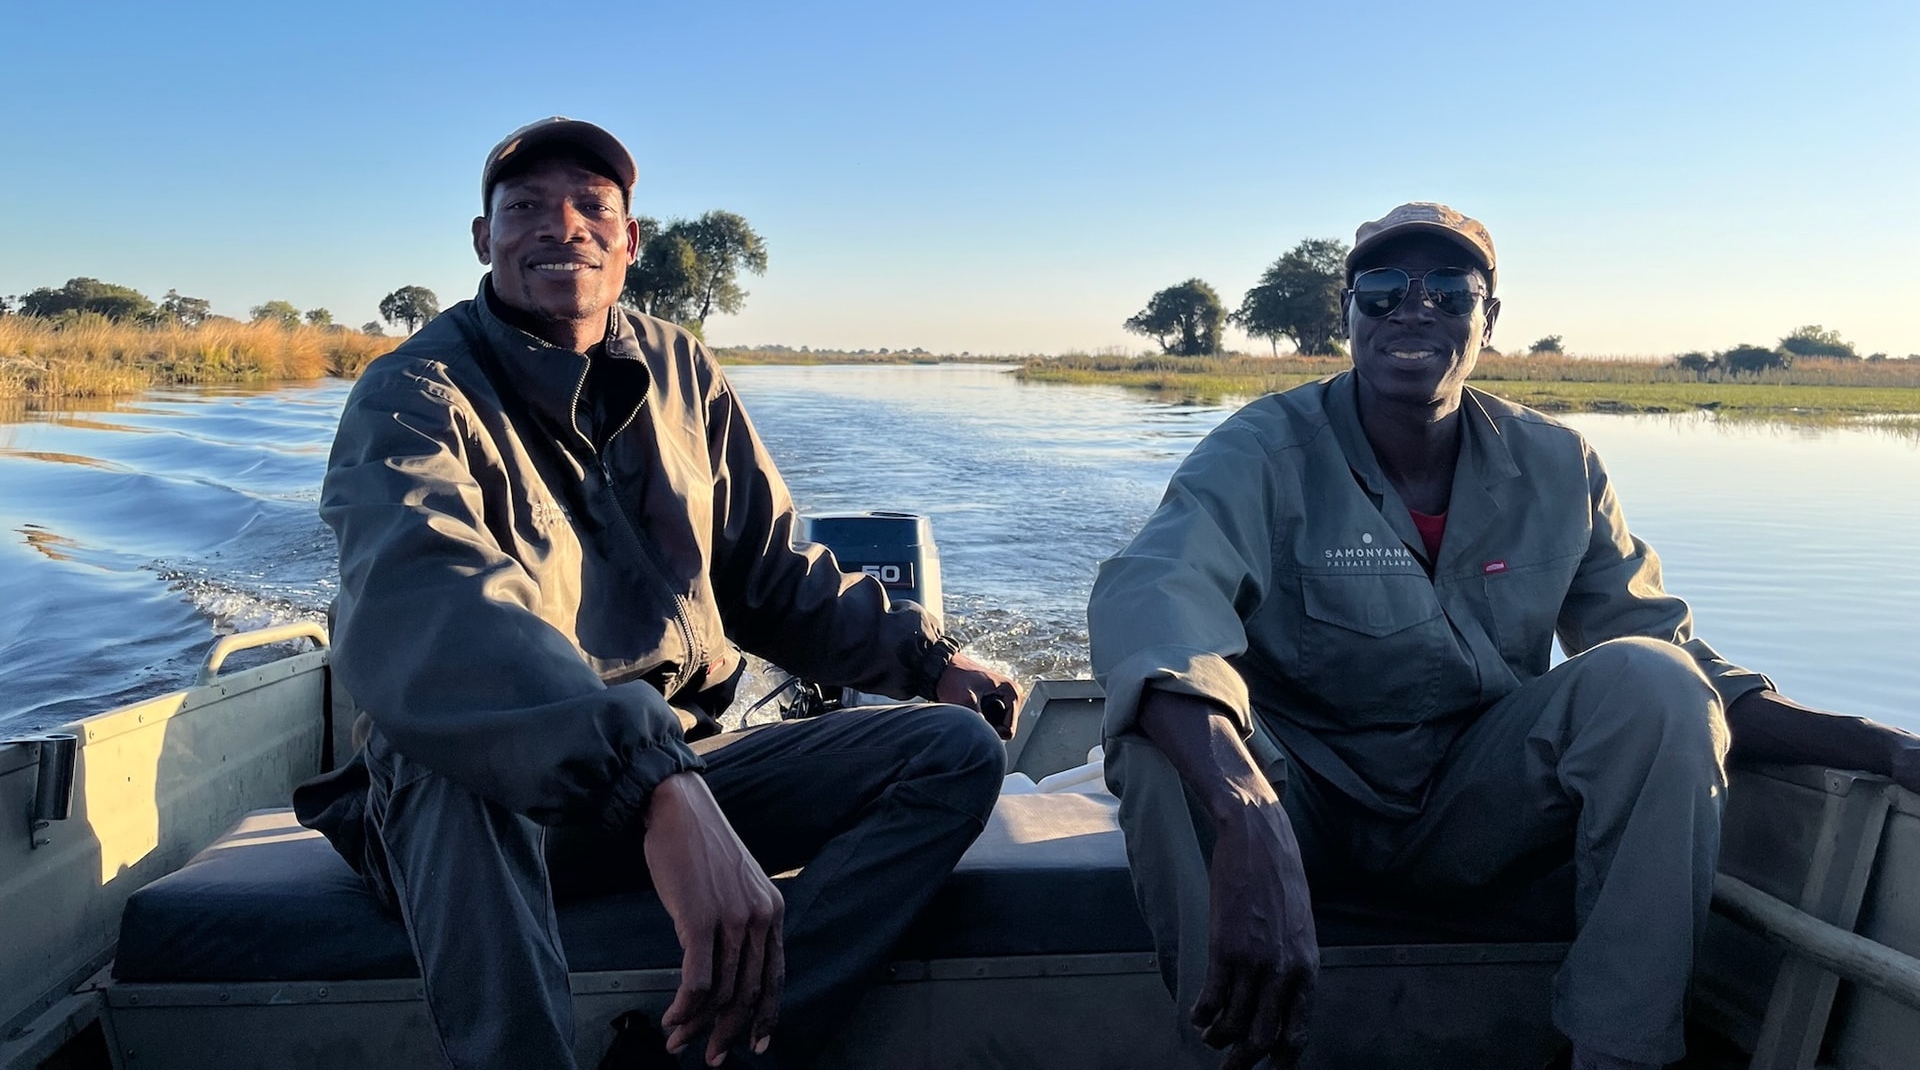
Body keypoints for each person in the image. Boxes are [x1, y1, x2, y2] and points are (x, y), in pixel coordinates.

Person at [1087, 201, 1920, 1070]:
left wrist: (1883, 747)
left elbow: (1680, 667)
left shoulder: (1559, 465)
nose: (1416, 309)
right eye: (1382, 291)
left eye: (1451, 291)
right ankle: (1232, 1048)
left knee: (1655, 684)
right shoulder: (1261, 449)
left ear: (1489, 320)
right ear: (1346, 316)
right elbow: (1155, 605)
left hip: (1473, 810)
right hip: (1305, 805)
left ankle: (1620, 1053)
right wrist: (1248, 813)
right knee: (1158, 737)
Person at [293, 117, 1021, 1070]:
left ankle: (725, 1054)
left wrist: (929, 661)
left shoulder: (684, 369)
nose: (564, 229)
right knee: (440, 751)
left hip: (669, 765)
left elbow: (770, 572)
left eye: (594, 207)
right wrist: (652, 782)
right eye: (525, 209)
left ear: (630, 242)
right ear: (484, 240)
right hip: (504, 799)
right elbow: (434, 606)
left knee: (954, 750)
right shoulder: (414, 395)